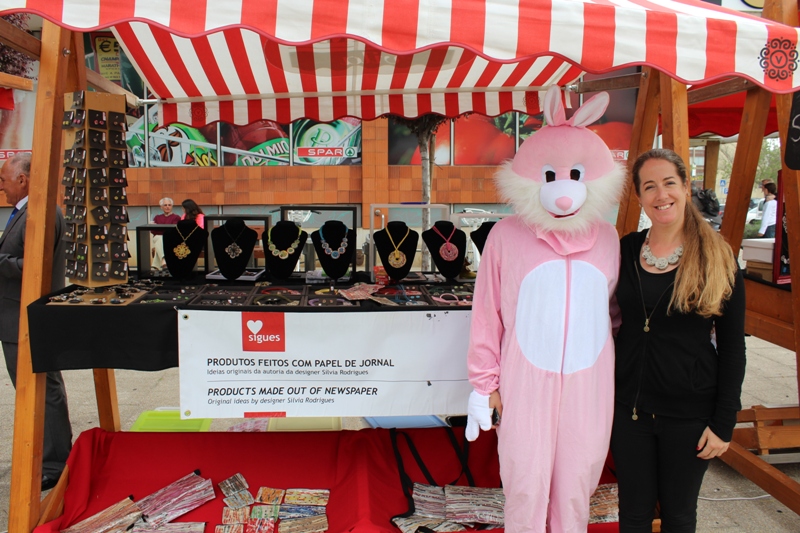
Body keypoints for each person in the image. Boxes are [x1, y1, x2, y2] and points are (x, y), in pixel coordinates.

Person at [613, 148, 745, 532]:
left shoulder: (718, 258)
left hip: (690, 416)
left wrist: (724, 423)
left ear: (686, 187)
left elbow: (733, 348)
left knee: (679, 515)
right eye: (649, 186)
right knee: (633, 514)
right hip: (629, 411)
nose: (661, 194)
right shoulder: (624, 250)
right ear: (639, 196)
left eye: (669, 183)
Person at [0, 154, 72, 491]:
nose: (1, 186)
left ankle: (55, 464)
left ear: (23, 179)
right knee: (39, 390)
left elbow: (34, 264)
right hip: (19, 316)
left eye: (4, 179)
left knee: (43, 390)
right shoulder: (28, 211)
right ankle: (51, 458)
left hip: (26, 316)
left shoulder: (40, 212)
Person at [151, 197, 181, 269]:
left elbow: (173, 231)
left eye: (169, 205)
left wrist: (159, 229)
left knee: (160, 239)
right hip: (158, 238)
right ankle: (163, 259)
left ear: (172, 206)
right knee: (159, 238)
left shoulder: (176, 217)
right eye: (165, 205)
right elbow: (153, 231)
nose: (167, 207)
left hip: (171, 239)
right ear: (161, 207)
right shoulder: (157, 217)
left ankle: (160, 263)